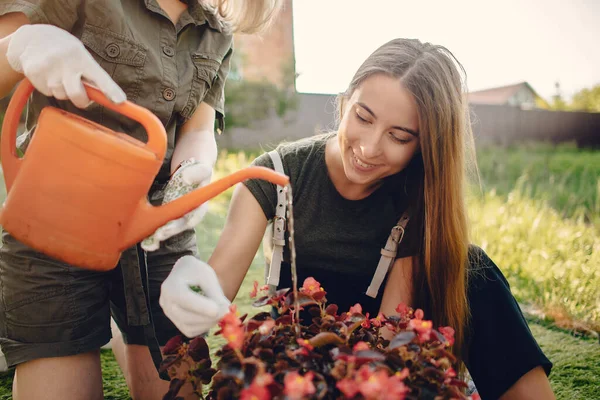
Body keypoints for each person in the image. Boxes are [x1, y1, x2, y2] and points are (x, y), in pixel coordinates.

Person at [159, 38, 556, 399]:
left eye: (399, 137)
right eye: (363, 117)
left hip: (373, 358)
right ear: (345, 100)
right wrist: (192, 292)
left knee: (471, 266)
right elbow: (218, 284)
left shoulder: (419, 201)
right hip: (298, 361)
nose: (369, 147)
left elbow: (386, 334)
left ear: (423, 146)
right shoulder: (273, 176)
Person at [0, 1, 281, 399]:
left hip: (154, 226)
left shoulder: (216, 32)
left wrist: (193, 171)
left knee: (178, 385)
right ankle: (106, 315)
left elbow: (197, 129)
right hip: (56, 221)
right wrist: (21, 45)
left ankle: (119, 318)